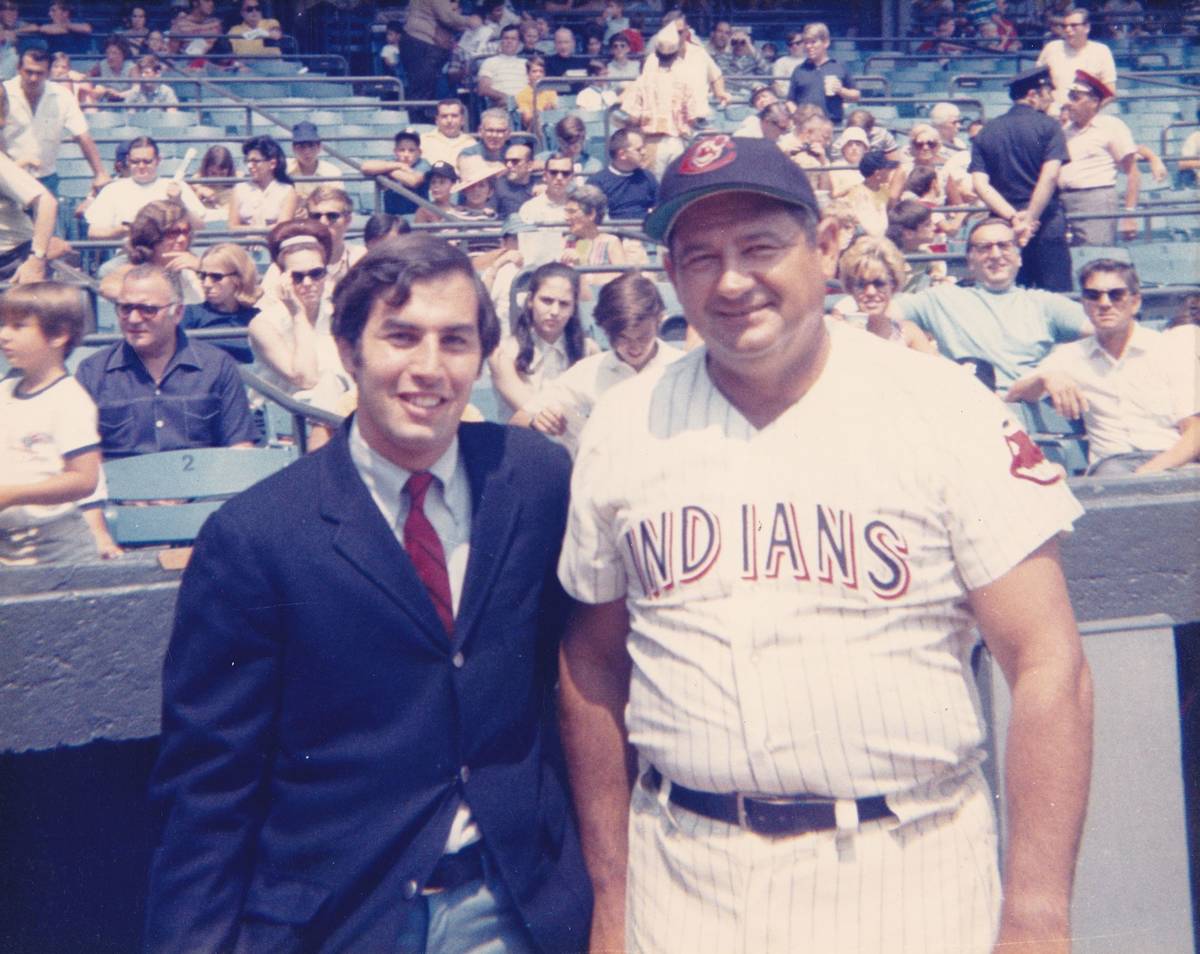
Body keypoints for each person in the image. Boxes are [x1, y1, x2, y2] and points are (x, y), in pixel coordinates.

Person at [557, 134, 1092, 954]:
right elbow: (592, 664)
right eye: (699, 257)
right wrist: (612, 902)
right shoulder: (624, 424)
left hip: (907, 867)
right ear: (671, 274)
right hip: (685, 875)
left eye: (759, 247)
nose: (732, 281)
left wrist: (1037, 917)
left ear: (825, 244)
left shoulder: (943, 406)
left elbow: (1049, 662)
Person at [143, 234, 592, 953]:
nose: (429, 368)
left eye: (455, 341)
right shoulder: (257, 537)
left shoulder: (535, 481)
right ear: (349, 349)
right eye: (401, 337)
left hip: (516, 906)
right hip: (344, 918)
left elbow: (579, 680)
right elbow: (210, 788)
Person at [1006, 259, 1199, 476]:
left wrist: (1147, 474)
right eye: (1093, 295)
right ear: (1084, 303)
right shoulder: (1071, 356)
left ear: (1135, 302)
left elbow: (1194, 432)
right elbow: (1014, 393)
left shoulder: (1168, 350)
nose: (1104, 303)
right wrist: (1046, 378)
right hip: (1112, 466)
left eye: (1116, 294)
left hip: (1172, 462)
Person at [894, 217, 1093, 403]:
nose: (995, 255)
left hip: (1029, 415)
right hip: (968, 410)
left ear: (1019, 257)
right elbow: (876, 315)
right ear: (970, 260)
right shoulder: (940, 299)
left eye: (1004, 245)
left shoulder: (1045, 304)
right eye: (984, 248)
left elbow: (1111, 332)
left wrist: (1056, 367)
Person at [76, 263, 256, 461]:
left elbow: (240, 446)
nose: (134, 319)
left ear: (178, 313)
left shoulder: (217, 366)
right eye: (125, 308)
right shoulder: (92, 372)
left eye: (148, 309)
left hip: (200, 488)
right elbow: (80, 460)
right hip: (120, 490)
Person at [515, 270, 681, 455]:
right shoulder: (587, 372)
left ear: (659, 320)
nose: (634, 348)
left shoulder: (683, 367)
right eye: (622, 338)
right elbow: (519, 419)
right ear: (605, 329)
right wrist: (538, 420)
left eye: (643, 337)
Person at [0, 281, 101, 566]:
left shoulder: (70, 400)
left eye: (19, 326)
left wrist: (11, 494)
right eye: (3, 324)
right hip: (8, 548)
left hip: (57, 551)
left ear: (58, 336)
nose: (4, 335)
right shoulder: (3, 393)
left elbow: (84, 479)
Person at [970, 66, 1072, 292]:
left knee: (1008, 292)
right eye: (1048, 93)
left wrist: (1015, 219)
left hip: (1004, 226)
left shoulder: (986, 132)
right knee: (1056, 295)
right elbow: (1050, 175)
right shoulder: (1050, 126)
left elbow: (980, 184)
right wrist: (1029, 219)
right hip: (1045, 221)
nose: (1051, 98)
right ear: (1033, 95)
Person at [248, 219, 352, 419]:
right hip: (282, 423)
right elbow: (306, 378)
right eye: (297, 276)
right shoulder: (263, 325)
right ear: (282, 277)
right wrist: (298, 314)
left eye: (316, 274)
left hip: (339, 416)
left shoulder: (341, 315)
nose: (308, 283)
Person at [487, 261, 598, 414]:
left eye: (564, 304)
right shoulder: (503, 354)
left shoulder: (589, 351)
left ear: (573, 308)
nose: (555, 311)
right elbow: (533, 412)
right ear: (531, 300)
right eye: (546, 301)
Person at [3, 48, 108, 193]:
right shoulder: (3, 93)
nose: (33, 78)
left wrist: (100, 173)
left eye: (39, 73)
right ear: (18, 69)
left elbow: (83, 135)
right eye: (29, 72)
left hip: (46, 178)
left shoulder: (63, 96)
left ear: (48, 73)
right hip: (8, 177)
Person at [1058, 69, 1139, 245]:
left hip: (1095, 200)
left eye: (1075, 98)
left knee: (1095, 255)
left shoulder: (1111, 126)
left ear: (1094, 102)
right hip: (1063, 201)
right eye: (1070, 96)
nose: (1069, 103)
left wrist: (1129, 213)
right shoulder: (1064, 131)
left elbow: (1132, 172)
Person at [85, 136, 206, 240]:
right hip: (129, 256)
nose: (141, 166)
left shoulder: (177, 187)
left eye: (147, 161)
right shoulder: (113, 190)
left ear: (158, 160)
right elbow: (93, 232)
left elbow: (200, 226)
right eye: (135, 162)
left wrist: (179, 202)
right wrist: (123, 230)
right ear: (128, 161)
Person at [832, 235, 940, 351]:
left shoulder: (908, 333)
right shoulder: (837, 332)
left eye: (879, 284)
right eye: (861, 284)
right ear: (850, 287)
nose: (870, 292)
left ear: (893, 285)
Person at [96, 199, 204, 307]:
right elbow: (108, 287)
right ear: (151, 235)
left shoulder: (194, 266)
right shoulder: (129, 268)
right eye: (173, 233)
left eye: (185, 232)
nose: (182, 239)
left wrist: (202, 268)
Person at [401, 0, 481, 122]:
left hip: (419, 43)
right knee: (421, 92)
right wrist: (469, 21)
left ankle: (420, 124)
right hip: (422, 43)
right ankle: (417, 127)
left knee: (424, 91)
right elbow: (447, 17)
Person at [181, 242, 261, 364]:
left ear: (238, 278)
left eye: (216, 277)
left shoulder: (257, 318)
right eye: (202, 275)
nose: (206, 284)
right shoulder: (189, 314)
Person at [1036, 5, 1117, 115]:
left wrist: (1087, 114)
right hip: (1054, 117)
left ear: (1087, 27)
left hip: (1086, 121)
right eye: (1065, 26)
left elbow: (1111, 92)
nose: (1068, 30)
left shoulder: (1101, 51)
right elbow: (1037, 82)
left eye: (1073, 26)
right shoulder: (1051, 48)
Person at [786, 22, 860, 126]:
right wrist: (797, 116)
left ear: (826, 43)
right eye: (806, 43)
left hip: (832, 126)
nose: (809, 46)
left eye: (813, 42)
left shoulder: (839, 66)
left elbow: (856, 95)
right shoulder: (799, 70)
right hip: (805, 128)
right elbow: (790, 101)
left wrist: (841, 90)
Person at [229, 134, 298, 229]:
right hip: (244, 242)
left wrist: (257, 232)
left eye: (255, 161)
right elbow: (232, 227)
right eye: (247, 161)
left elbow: (283, 228)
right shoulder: (239, 190)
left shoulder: (287, 191)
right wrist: (254, 232)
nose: (249, 166)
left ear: (272, 163)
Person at [587, 127, 656, 221]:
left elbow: (659, 207)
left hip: (644, 232)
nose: (644, 152)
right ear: (622, 154)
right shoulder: (597, 182)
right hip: (612, 232)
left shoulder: (647, 177)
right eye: (639, 149)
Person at [285, 121, 342, 199]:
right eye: (301, 147)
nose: (307, 152)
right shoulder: (284, 168)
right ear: (293, 149)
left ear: (319, 147)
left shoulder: (332, 172)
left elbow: (338, 202)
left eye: (311, 146)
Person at [476, 23, 526, 108]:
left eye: (513, 39)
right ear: (500, 41)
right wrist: (507, 98)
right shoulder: (489, 62)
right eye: (506, 38)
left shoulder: (526, 63)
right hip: (502, 105)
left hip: (526, 105)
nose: (509, 41)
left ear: (519, 43)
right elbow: (483, 89)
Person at [420, 99, 477, 170]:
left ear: (462, 120)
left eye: (454, 116)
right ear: (437, 120)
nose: (449, 120)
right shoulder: (423, 141)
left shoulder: (471, 144)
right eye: (444, 116)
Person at [189, 144, 238, 222]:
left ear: (229, 171)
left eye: (222, 174)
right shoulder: (195, 182)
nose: (217, 179)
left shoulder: (235, 185)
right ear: (206, 169)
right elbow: (189, 213)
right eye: (213, 173)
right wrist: (199, 193)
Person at [493, 137, 536, 218]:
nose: (508, 165)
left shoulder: (540, 185)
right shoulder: (498, 186)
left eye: (515, 161)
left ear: (529, 165)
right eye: (506, 161)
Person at [515, 54, 557, 131]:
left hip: (551, 125)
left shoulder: (551, 91)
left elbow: (555, 112)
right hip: (532, 129)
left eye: (541, 71)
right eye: (534, 71)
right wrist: (543, 111)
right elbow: (527, 118)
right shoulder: (522, 94)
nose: (538, 74)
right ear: (528, 74)